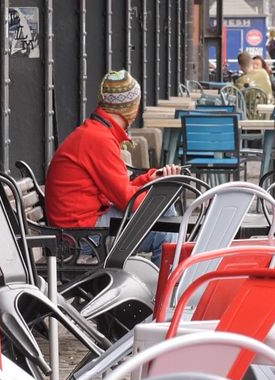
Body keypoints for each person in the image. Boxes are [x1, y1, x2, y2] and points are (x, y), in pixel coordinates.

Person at [45, 70, 182, 265]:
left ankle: (167, 288)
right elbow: (127, 200)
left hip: (81, 227)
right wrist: (158, 196)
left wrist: (151, 179)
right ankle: (165, 294)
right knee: (164, 233)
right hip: (82, 236)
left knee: (165, 214)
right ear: (130, 107)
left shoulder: (95, 133)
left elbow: (118, 190)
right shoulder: (99, 139)